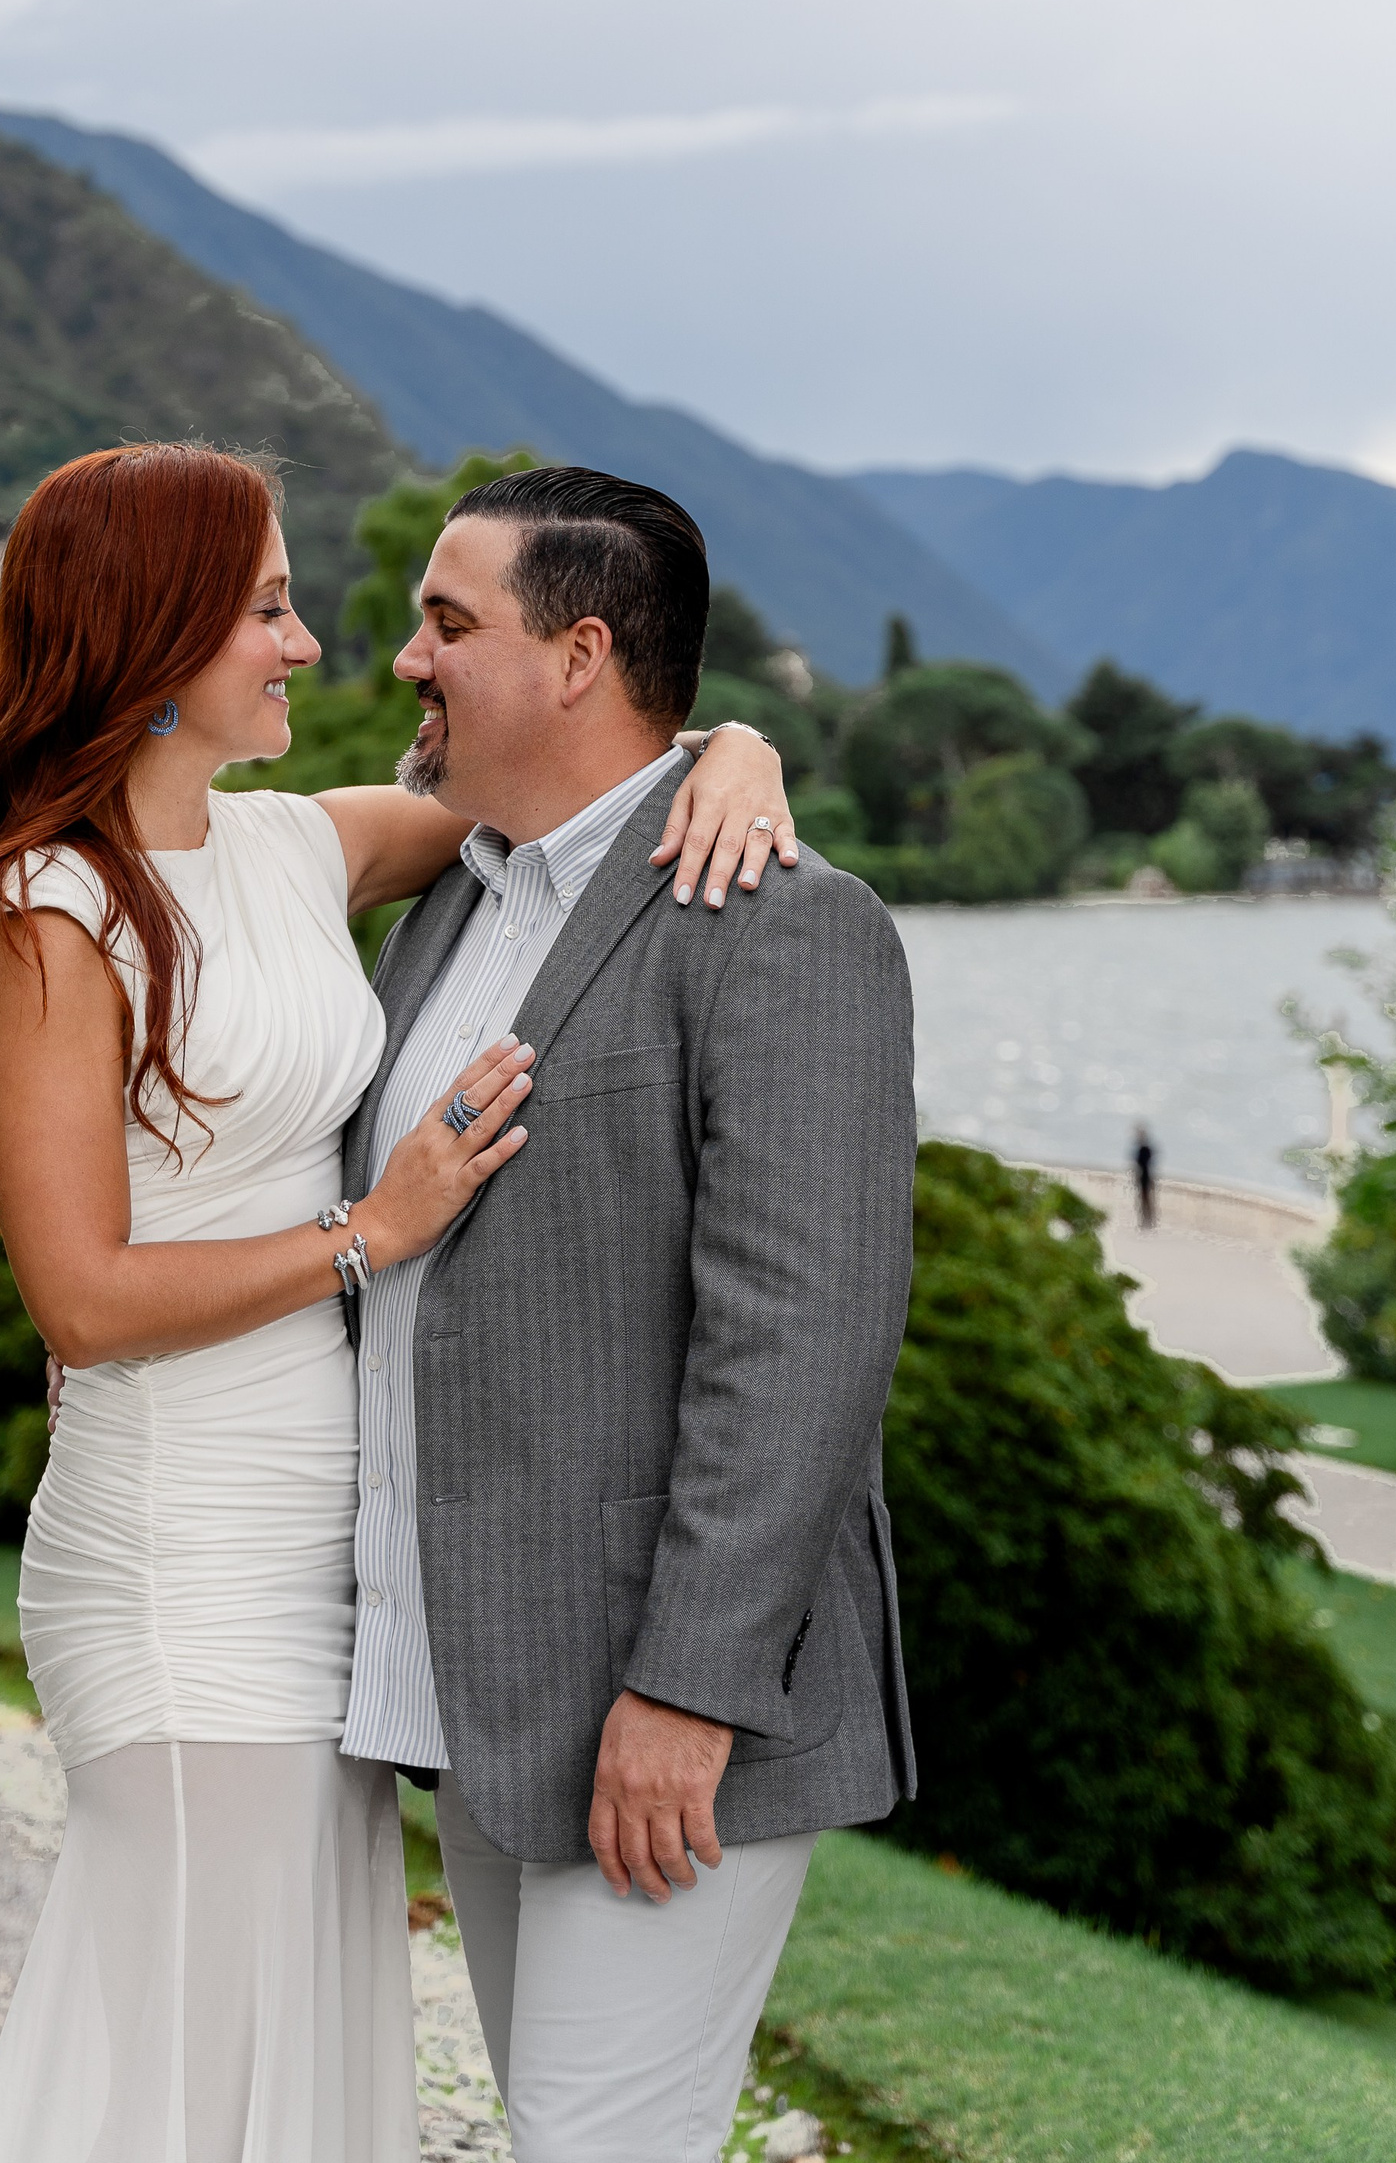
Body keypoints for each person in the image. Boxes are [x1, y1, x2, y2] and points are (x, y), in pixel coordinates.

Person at [0, 441, 795, 2163]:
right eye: (267, 607)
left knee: (292, 2045)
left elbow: (578, 775)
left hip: (336, 1570)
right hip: (179, 1550)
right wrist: (369, 1232)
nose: (310, 645)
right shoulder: (50, 914)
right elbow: (79, 1297)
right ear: (155, 636)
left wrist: (738, 745)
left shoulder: (297, 847)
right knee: (186, 2058)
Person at [338, 465, 918, 2162]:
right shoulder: (454, 897)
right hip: (493, 1683)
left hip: (667, 1709)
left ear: (579, 654)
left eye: (448, 623)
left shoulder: (785, 925)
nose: (407, 659)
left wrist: (691, 1691)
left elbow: (803, 1343)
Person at [1134, 1125, 1157, 1229]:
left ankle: (1147, 1221)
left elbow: (1141, 1163)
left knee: (1145, 1199)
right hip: (1145, 1175)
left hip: (1144, 1176)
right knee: (1145, 1199)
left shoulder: (1143, 1149)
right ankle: (1147, 1221)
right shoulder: (1145, 1149)